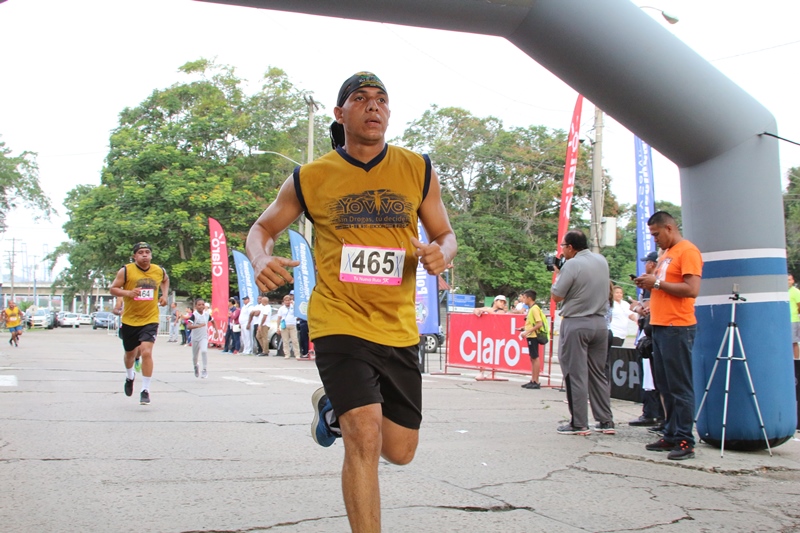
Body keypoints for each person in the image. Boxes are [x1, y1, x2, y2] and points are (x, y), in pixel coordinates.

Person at [246, 71, 456, 533]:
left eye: (381, 98)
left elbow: (444, 233)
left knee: (400, 451)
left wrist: (443, 252)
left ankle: (331, 407)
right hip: (338, 320)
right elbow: (262, 228)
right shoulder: (311, 177)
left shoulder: (417, 169)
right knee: (363, 434)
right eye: (360, 98)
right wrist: (260, 257)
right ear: (340, 114)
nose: (373, 105)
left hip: (398, 325)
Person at [635, 211, 703, 460]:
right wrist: (650, 288)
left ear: (669, 228)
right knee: (665, 385)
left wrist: (656, 284)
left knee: (679, 386)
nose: (655, 240)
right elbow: (663, 287)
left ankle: (685, 439)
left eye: (656, 234)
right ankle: (672, 433)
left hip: (678, 326)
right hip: (661, 325)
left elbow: (692, 289)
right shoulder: (666, 255)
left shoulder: (688, 251)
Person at [551, 229, 615, 436]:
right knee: (598, 373)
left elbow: (557, 295)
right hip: (600, 323)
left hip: (577, 322)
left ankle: (579, 422)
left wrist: (558, 273)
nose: (562, 250)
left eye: (563, 246)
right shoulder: (601, 260)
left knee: (575, 373)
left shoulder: (572, 265)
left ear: (570, 247)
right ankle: (605, 420)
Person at [109, 242, 169, 405]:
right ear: (134, 256)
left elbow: (165, 280)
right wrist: (128, 293)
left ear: (151, 255)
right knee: (130, 354)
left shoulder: (159, 270)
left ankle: (145, 390)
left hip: (150, 318)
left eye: (147, 252)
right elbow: (113, 289)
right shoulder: (126, 271)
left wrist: (164, 295)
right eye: (141, 252)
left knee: (146, 352)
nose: (144, 255)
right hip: (130, 319)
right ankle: (130, 377)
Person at [628, 251, 666, 427]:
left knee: (651, 376)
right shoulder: (652, 286)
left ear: (652, 264)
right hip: (648, 330)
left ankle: (653, 413)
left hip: (650, 332)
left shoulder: (653, 286)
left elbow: (647, 309)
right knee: (650, 375)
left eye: (647, 263)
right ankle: (655, 413)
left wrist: (636, 307)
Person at [517, 289, 547, 389]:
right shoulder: (532, 308)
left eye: (524, 297)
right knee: (532, 357)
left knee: (535, 357)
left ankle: (536, 381)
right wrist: (524, 328)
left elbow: (539, 324)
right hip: (531, 335)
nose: (523, 299)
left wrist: (527, 332)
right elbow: (532, 323)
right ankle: (533, 379)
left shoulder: (534, 309)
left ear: (529, 298)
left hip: (533, 335)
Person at [187, 298, 217, 378]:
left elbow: (213, 321)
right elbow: (188, 326)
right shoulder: (194, 315)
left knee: (204, 351)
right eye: (199, 305)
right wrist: (198, 326)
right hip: (195, 338)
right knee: (195, 357)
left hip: (203, 337)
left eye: (202, 304)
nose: (201, 306)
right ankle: (195, 366)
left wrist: (216, 332)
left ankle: (204, 369)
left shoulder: (206, 315)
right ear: (196, 306)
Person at [276, 294, 301, 359]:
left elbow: (298, 311)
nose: (287, 302)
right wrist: (278, 327)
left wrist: (293, 304)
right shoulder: (281, 308)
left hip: (292, 325)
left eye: (288, 300)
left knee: (295, 340)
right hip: (284, 325)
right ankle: (287, 354)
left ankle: (297, 354)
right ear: (284, 301)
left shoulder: (293, 307)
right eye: (286, 300)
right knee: (285, 341)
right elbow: (279, 318)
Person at [789, 274, 800, 360]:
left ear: (793, 281)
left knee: (793, 341)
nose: (787, 282)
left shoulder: (796, 292)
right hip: (783, 320)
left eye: (789, 280)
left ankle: (796, 360)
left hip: (793, 320)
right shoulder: (781, 292)